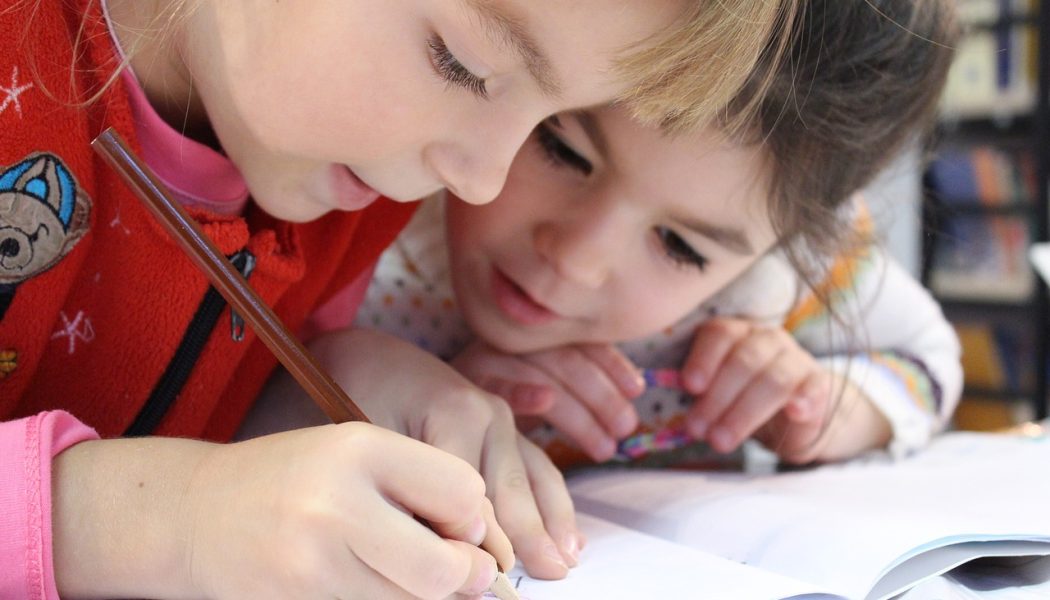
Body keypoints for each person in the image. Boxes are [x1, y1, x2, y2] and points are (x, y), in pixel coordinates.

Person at [0, 0, 801, 598]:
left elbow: (179, 412)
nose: (481, 178)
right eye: (463, 65)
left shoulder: (353, 187)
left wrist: (330, 383)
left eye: (549, 119)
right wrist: (167, 521)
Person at [343, 0, 962, 469]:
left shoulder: (781, 281)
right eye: (561, 150)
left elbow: (929, 358)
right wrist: (388, 389)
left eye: (680, 247)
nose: (577, 260)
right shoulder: (365, 199)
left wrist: (829, 407)